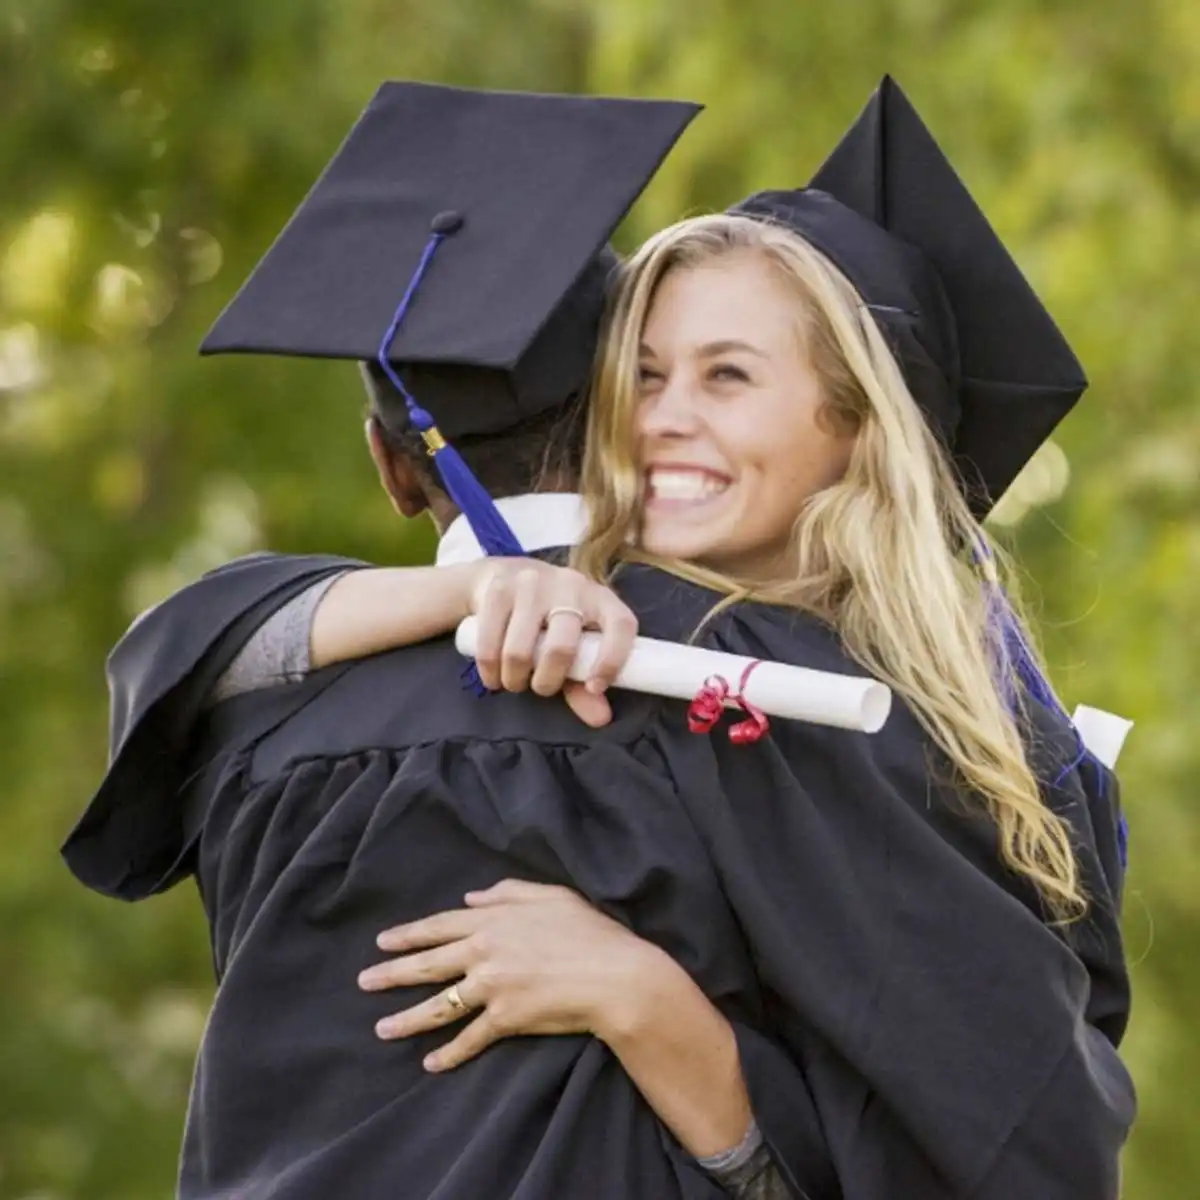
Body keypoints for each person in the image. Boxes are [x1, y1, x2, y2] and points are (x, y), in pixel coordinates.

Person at [64, 78, 1134, 1199]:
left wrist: (645, 1002)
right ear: (603, 409)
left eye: (728, 375)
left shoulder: (279, 708)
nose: (670, 414)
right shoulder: (737, 705)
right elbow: (1019, 1148)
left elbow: (182, 668)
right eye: (649, 374)